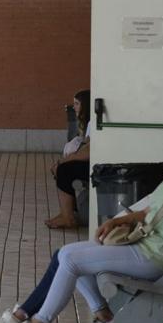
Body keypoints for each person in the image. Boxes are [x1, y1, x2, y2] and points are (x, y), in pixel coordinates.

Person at [0, 126, 163, 323]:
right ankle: (104, 317)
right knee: (65, 253)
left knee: (72, 260)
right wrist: (115, 222)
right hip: (143, 245)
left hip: (156, 258)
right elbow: (149, 211)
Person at [47, 89, 91, 229]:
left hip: (95, 164)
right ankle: (66, 212)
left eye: (77, 104)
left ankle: (68, 216)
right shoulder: (89, 124)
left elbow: (88, 151)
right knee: (64, 168)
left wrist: (63, 161)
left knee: (65, 170)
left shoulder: (93, 124)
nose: (74, 107)